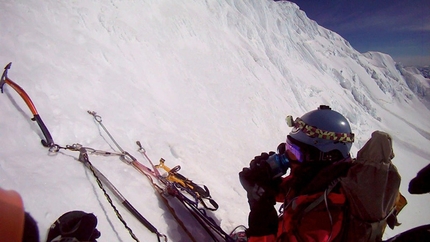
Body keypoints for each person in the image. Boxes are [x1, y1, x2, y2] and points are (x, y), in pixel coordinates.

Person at [239, 105, 357, 242]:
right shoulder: (317, 177)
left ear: (324, 157)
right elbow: (293, 190)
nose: (288, 157)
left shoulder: (328, 212)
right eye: (287, 148)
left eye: (295, 152)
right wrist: (266, 183)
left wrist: (261, 217)